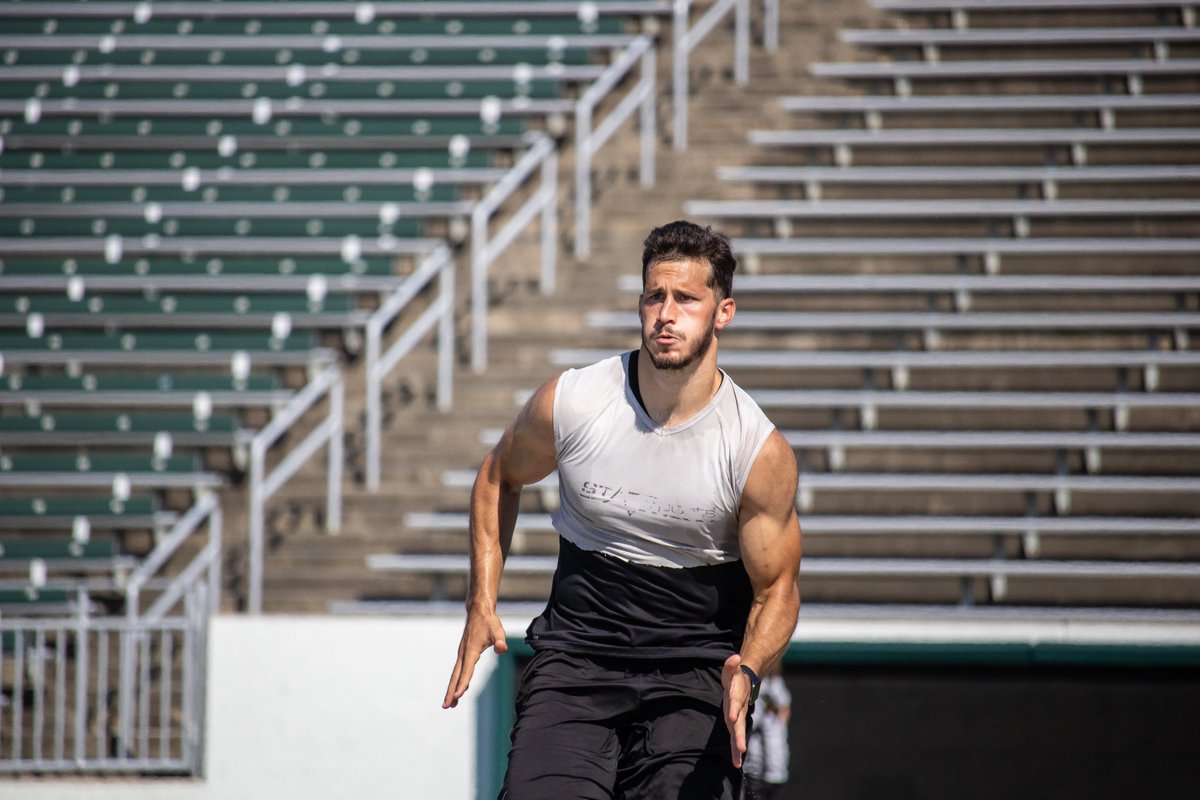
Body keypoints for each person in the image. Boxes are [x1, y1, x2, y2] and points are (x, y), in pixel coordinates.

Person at [443, 220, 803, 799]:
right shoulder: (575, 400)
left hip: (695, 668)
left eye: (686, 298)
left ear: (723, 312)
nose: (667, 313)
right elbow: (496, 476)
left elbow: (779, 586)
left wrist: (752, 669)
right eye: (655, 296)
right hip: (578, 653)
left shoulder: (756, 448)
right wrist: (480, 602)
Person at [742, 661, 792, 800]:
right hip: (753, 765)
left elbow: (784, 710)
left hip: (773, 770)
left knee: (774, 764)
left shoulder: (775, 683)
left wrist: (775, 715)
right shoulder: (752, 683)